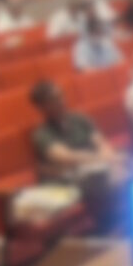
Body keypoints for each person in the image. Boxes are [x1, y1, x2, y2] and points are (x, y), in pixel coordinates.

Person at [29, 81, 125, 231]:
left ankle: (119, 222)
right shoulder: (42, 133)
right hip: (65, 177)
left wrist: (111, 158)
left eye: (61, 96)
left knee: (124, 167)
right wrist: (104, 159)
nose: (61, 101)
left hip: (93, 168)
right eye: (54, 99)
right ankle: (107, 225)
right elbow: (67, 157)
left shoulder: (80, 119)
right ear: (42, 107)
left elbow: (101, 143)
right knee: (104, 178)